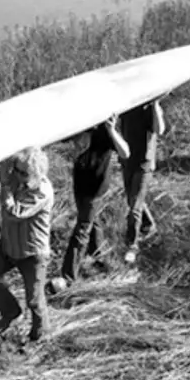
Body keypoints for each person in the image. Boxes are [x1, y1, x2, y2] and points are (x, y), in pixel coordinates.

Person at [0, 146, 54, 343]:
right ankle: (10, 311)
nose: (18, 175)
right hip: (8, 247)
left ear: (37, 173)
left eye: (23, 172)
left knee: (35, 301)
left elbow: (13, 213)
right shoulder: (17, 178)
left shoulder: (42, 192)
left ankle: (39, 339)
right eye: (16, 170)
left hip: (32, 253)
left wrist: (5, 185)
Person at [58, 114, 132, 294]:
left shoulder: (105, 129)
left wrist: (112, 130)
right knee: (93, 219)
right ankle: (98, 255)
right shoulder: (83, 122)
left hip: (95, 188)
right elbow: (62, 136)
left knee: (83, 228)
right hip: (80, 183)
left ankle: (68, 277)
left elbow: (125, 152)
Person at [115, 97, 167, 263]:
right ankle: (149, 226)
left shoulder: (149, 108)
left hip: (144, 163)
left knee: (135, 207)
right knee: (133, 200)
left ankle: (132, 245)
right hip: (127, 161)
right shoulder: (126, 104)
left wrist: (155, 105)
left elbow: (160, 130)